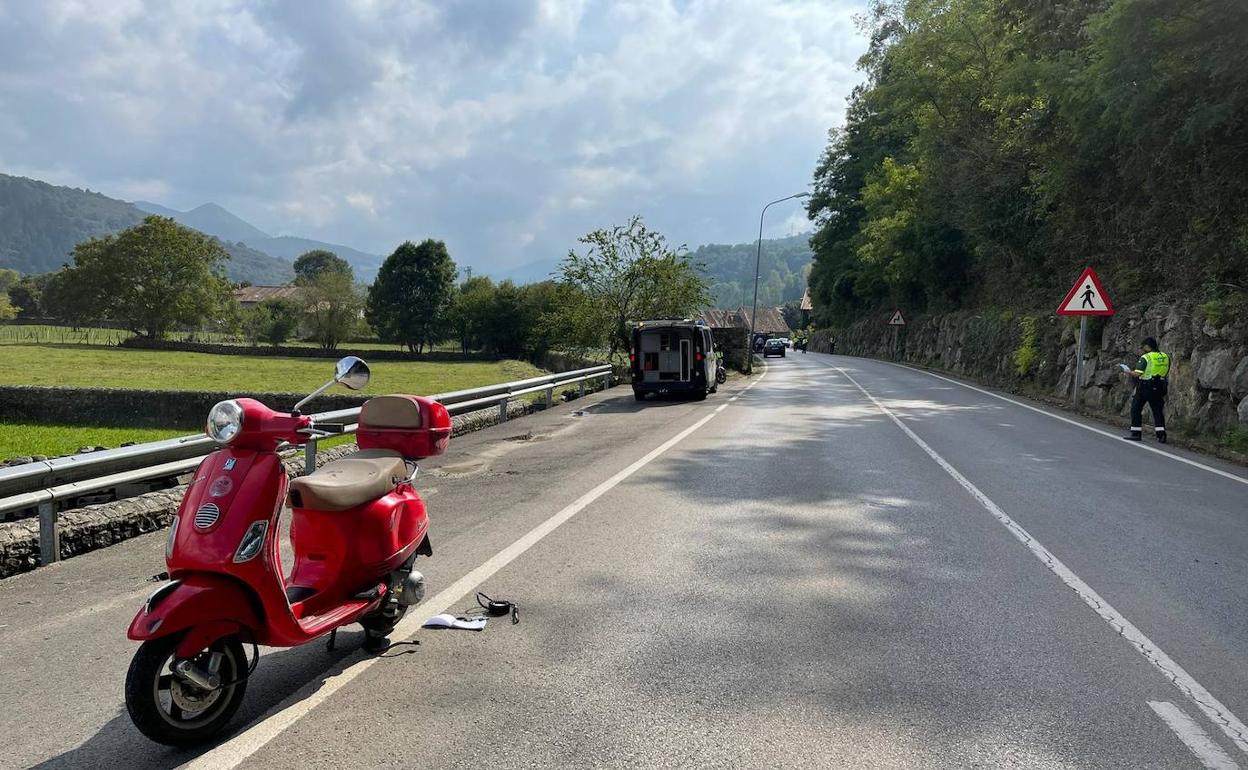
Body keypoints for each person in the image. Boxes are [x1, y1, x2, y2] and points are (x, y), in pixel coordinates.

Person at [1124, 337, 1169, 443]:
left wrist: (1129, 372)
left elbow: (1138, 373)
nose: (1142, 349)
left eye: (1143, 347)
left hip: (1145, 386)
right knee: (1158, 411)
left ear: (1148, 347)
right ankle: (1161, 435)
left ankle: (1136, 433)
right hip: (1160, 386)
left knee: (1136, 408)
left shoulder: (1146, 357)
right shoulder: (1165, 356)